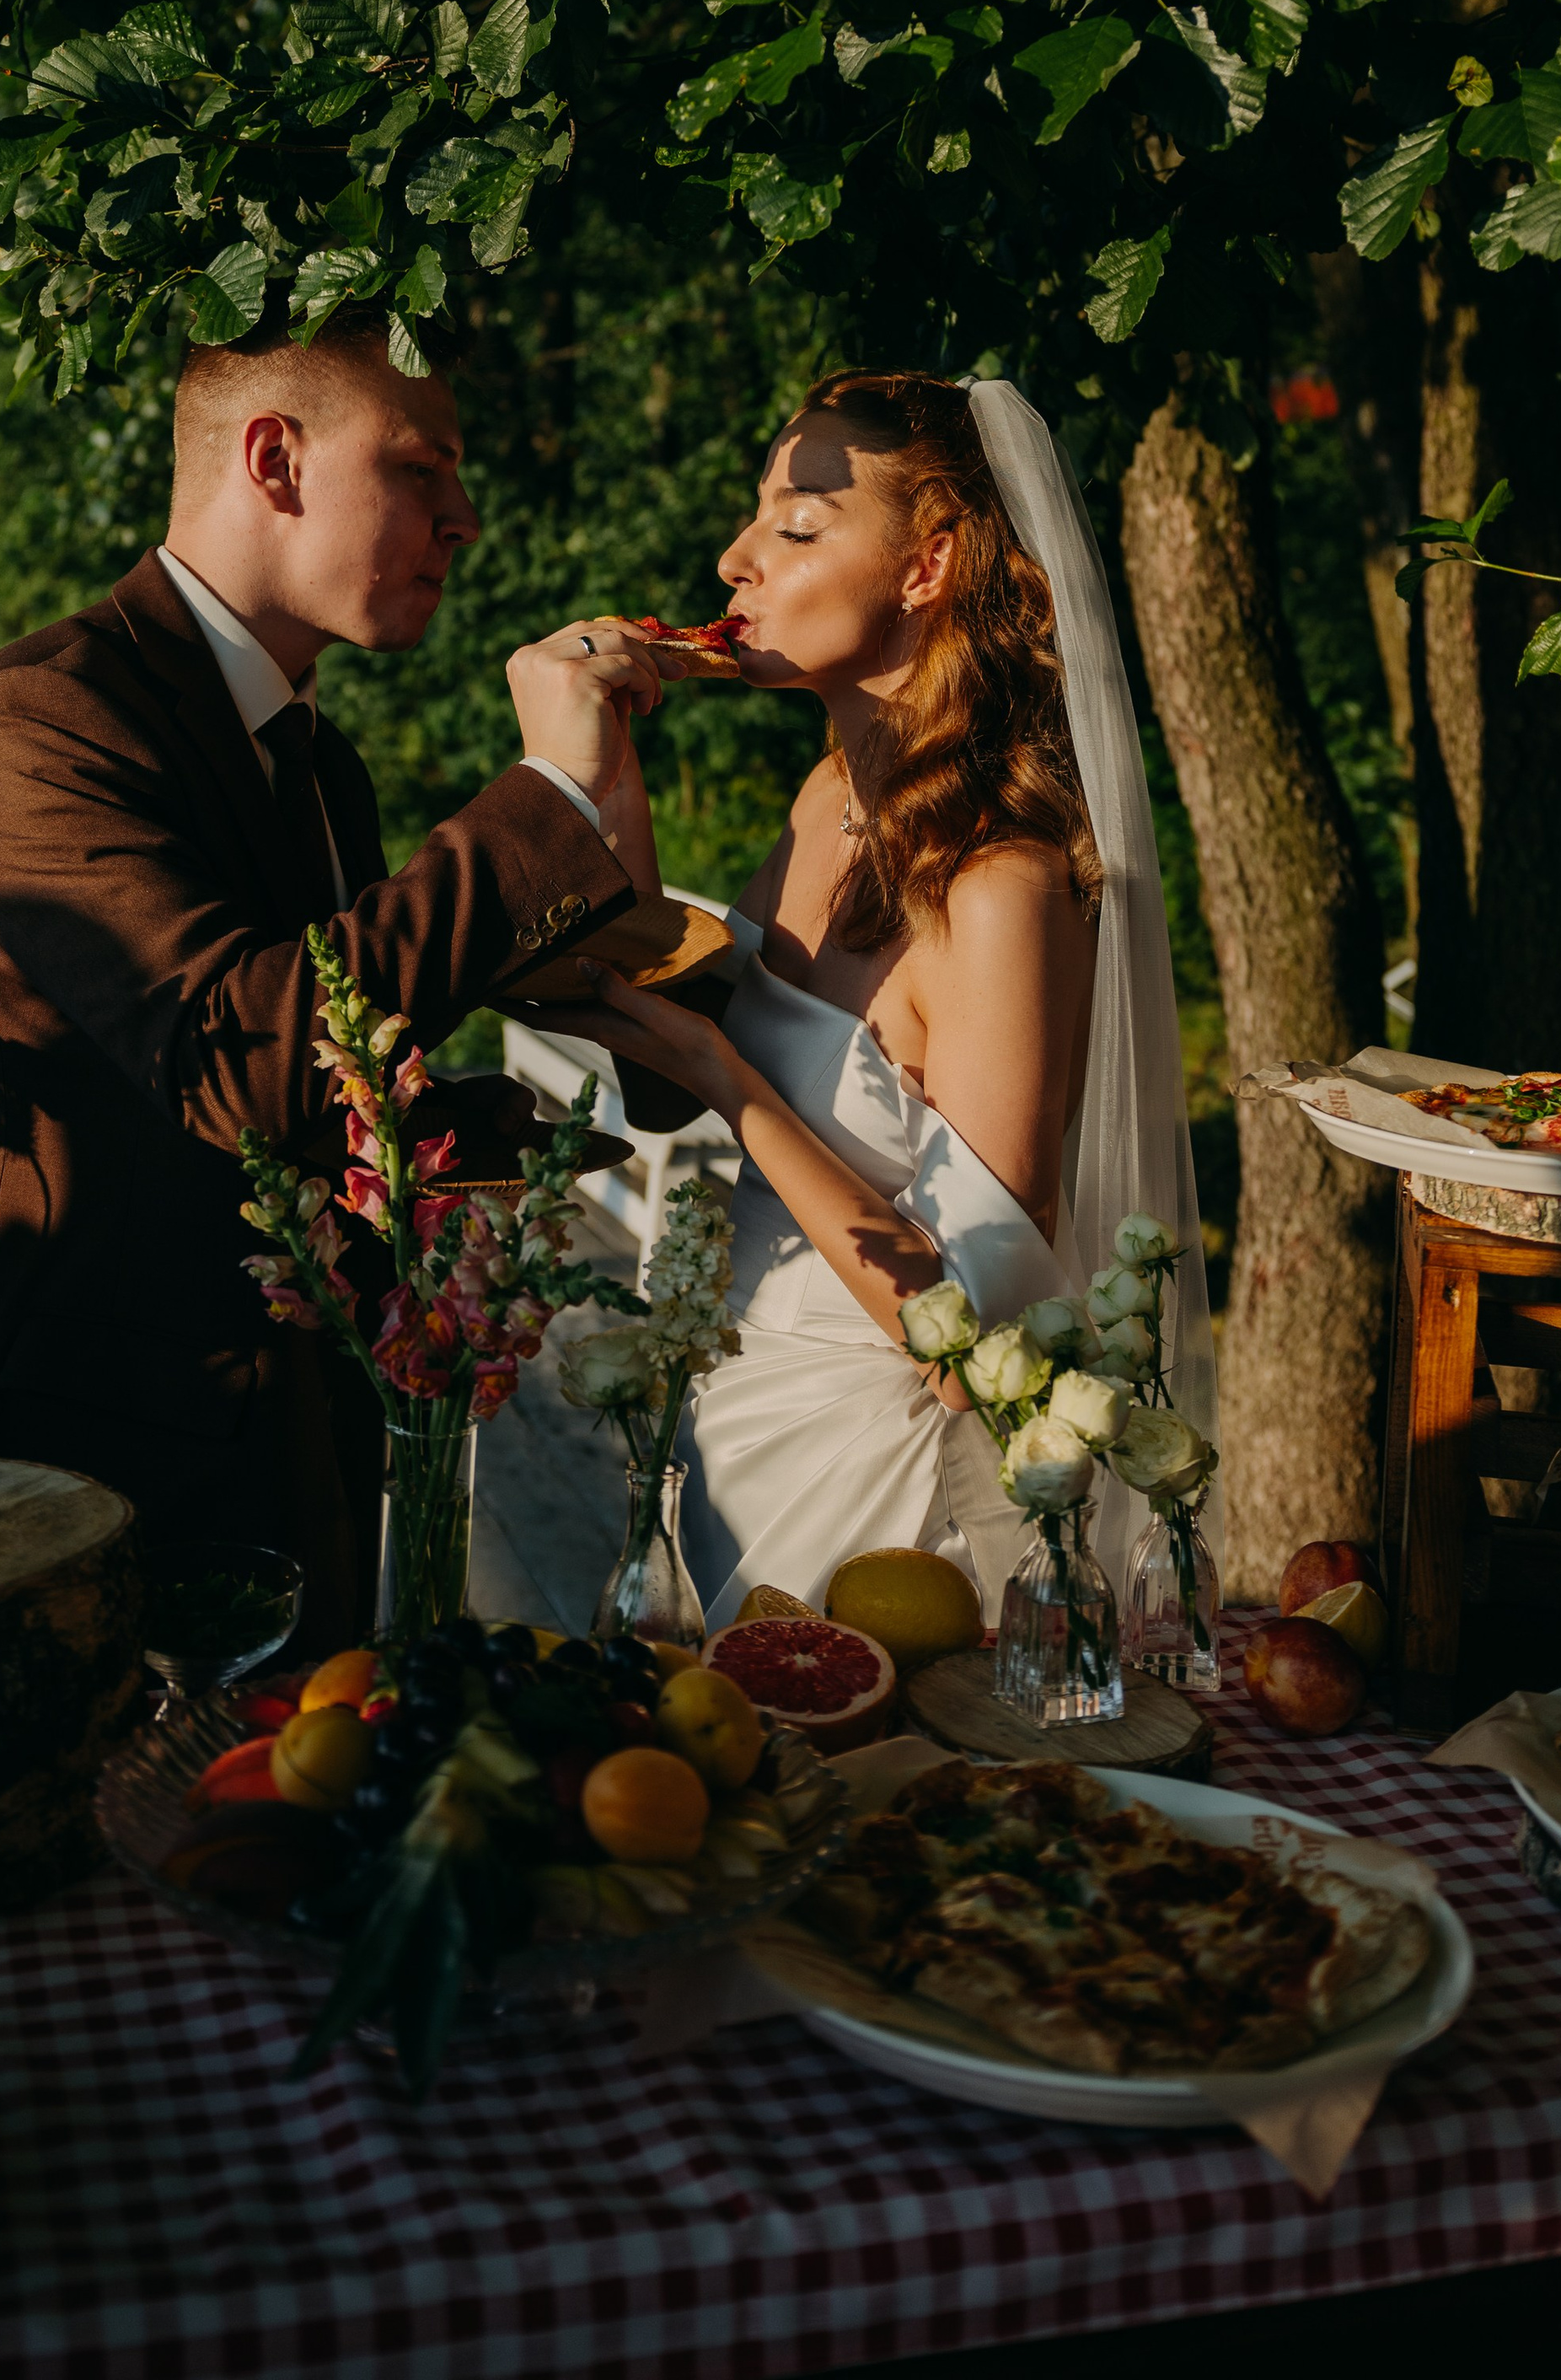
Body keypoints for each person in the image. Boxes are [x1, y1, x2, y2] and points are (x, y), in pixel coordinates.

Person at [0, 304, 655, 1637]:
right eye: (421, 467)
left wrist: (502, 1127)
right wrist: (545, 800)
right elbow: (245, 1057)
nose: (464, 516)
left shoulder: (316, 758)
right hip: (91, 1488)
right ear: (276, 461)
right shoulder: (41, 719)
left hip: (299, 1451)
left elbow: (337, 1089)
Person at [512, 370, 1214, 1628]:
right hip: (740, 1408)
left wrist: (740, 1086)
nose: (735, 560)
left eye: (795, 528)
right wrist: (598, 770)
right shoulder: (826, 806)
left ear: (927, 567)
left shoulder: (1002, 886)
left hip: (886, 1478)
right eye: (754, 521)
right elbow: (657, 1066)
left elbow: (978, 1328)